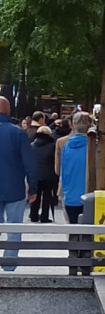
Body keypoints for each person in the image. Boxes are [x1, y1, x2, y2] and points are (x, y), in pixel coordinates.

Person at [0, 97, 36, 271]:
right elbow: (29, 163)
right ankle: (8, 265)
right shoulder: (18, 133)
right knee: (14, 228)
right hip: (14, 187)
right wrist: (33, 188)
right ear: (8, 111)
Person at [57, 112, 92, 275]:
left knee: (72, 230)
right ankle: (85, 266)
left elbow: (59, 171)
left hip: (69, 194)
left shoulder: (64, 145)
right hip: (88, 195)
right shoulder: (93, 146)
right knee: (86, 232)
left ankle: (72, 266)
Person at [30, 126, 59, 223]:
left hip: (35, 174)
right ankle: (44, 217)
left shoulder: (32, 145)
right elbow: (54, 160)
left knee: (36, 195)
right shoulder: (52, 146)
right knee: (47, 196)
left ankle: (33, 215)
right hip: (48, 175)